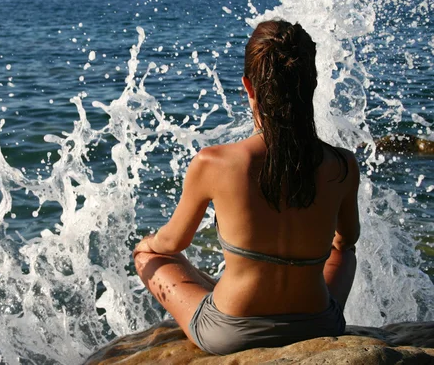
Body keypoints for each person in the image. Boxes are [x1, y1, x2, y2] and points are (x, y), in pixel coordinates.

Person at [133, 19, 360, 356]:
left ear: (249, 87)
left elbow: (172, 243)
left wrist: (147, 242)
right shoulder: (342, 164)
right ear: (311, 85)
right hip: (319, 323)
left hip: (229, 331)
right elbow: (346, 241)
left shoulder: (214, 162)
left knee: (146, 255)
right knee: (344, 252)